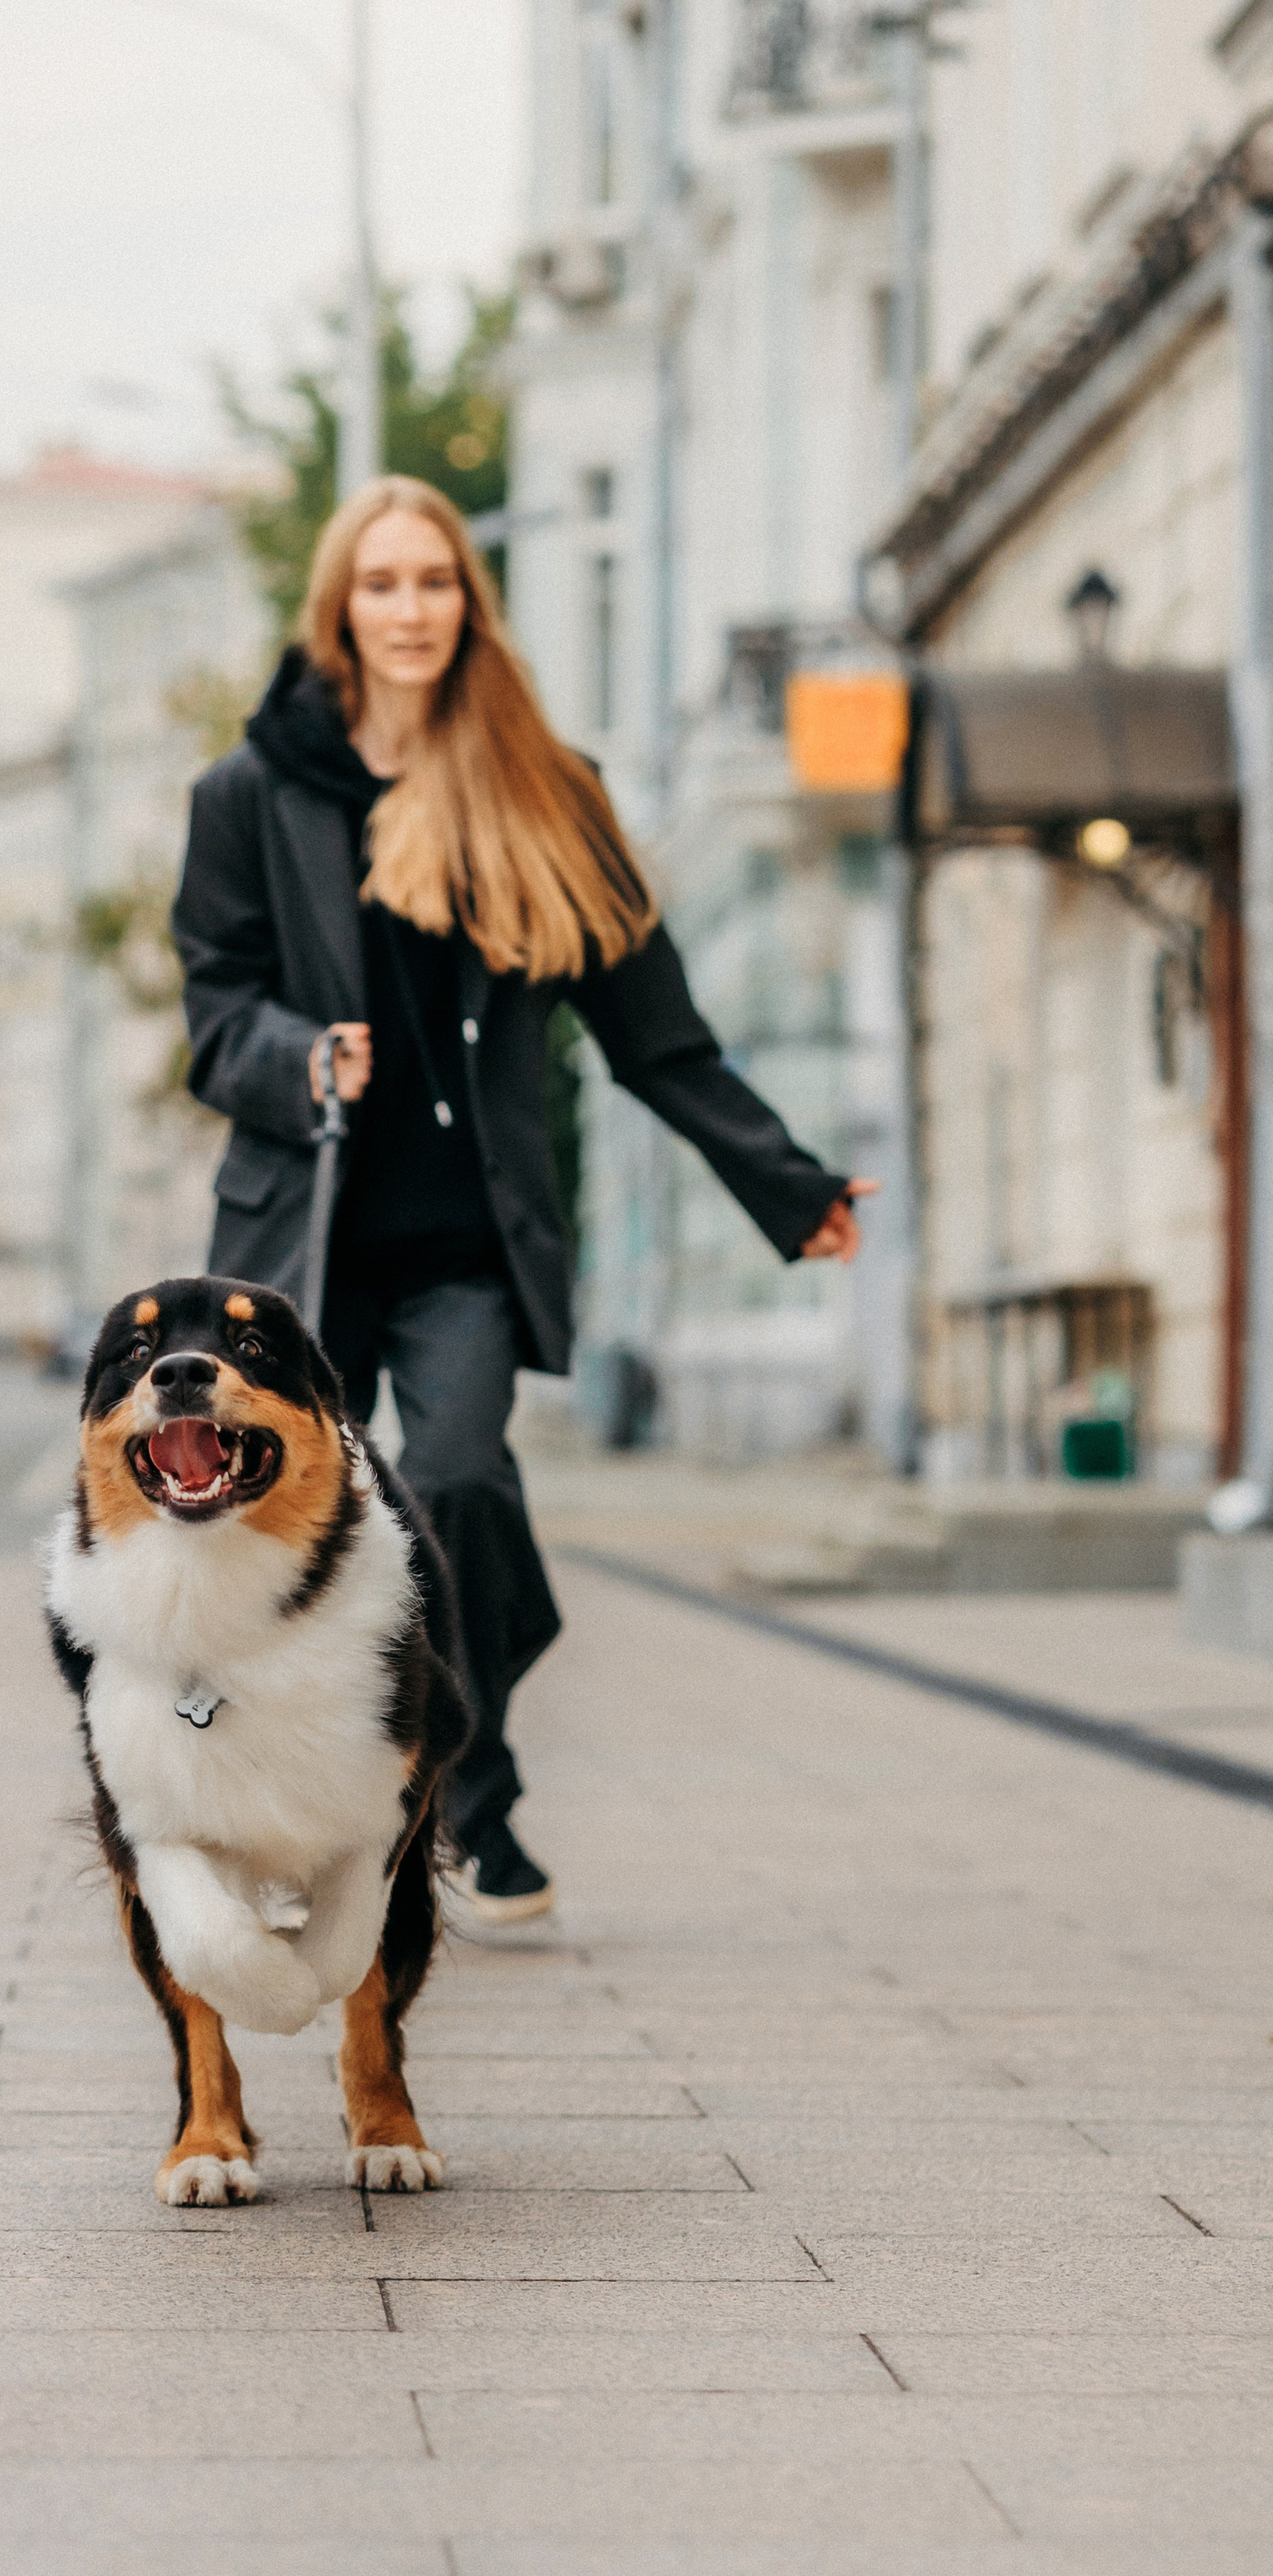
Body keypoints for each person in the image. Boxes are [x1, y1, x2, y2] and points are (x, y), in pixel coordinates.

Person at [172, 476, 872, 1921]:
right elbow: (213, 1015)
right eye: (382, 585)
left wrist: (784, 1186)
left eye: (434, 582)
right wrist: (304, 1056)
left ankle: (466, 1802)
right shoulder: (252, 794)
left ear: (467, 608)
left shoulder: (550, 793)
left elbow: (652, 1034)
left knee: (463, 1488)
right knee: (279, 1536)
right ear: (339, 610)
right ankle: (284, 1824)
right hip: (302, 1238)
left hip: (463, 1246)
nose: (410, 608)